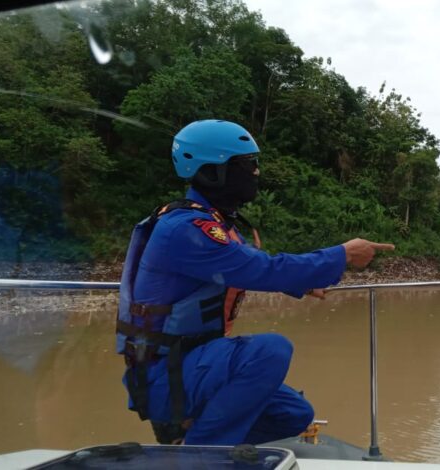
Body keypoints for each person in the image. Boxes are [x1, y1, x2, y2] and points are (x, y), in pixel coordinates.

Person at [115, 119, 394, 446]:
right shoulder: (186, 229)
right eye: (247, 164)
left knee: (295, 414)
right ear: (211, 171)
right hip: (166, 375)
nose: (256, 173)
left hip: (196, 360)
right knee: (271, 350)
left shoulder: (213, 223)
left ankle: (192, 432)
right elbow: (262, 269)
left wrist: (300, 284)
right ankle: (197, 455)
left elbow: (247, 265)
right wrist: (341, 254)